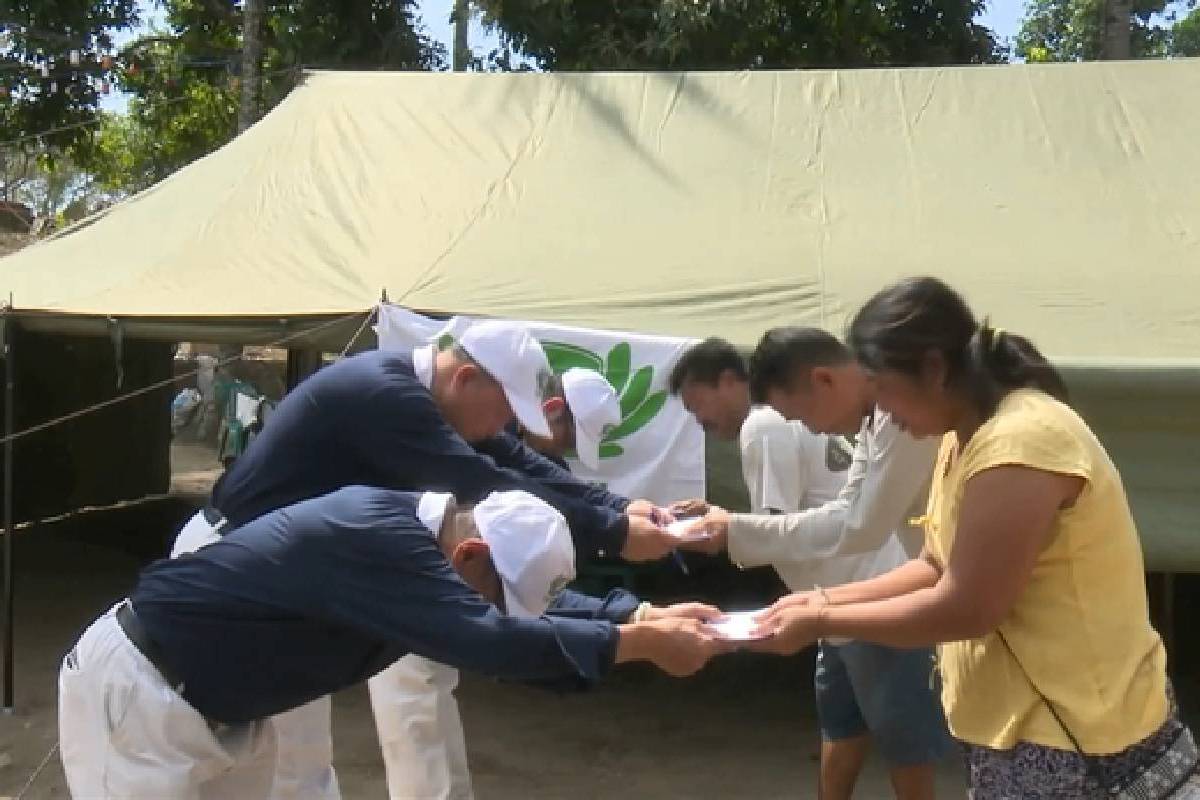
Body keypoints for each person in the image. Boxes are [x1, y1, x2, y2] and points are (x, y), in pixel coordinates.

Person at [168, 321, 679, 799]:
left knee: (298, 757)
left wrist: (618, 509)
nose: (504, 427)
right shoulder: (385, 395)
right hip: (231, 563)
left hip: (289, 577)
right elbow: (485, 481)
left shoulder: (423, 397)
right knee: (278, 763)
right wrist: (613, 535)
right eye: (504, 410)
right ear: (467, 377)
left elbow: (515, 462)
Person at [751, 277, 1200, 798]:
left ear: (934, 370)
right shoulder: (960, 440)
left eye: (884, 386)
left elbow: (968, 606)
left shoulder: (1021, 442)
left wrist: (824, 619)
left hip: (1070, 732)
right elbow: (937, 565)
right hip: (1015, 727)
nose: (883, 409)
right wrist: (820, 599)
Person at [59, 487, 731, 800]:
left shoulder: (427, 553)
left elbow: (505, 622)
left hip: (221, 712)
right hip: (140, 702)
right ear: (470, 552)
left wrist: (642, 617)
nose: (490, 612)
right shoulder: (377, 538)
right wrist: (637, 647)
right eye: (493, 595)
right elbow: (489, 640)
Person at [368, 370, 695, 800]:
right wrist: (618, 537)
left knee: (430, 695)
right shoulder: (456, 431)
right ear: (553, 410)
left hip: (418, 562)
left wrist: (623, 520)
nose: (564, 451)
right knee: (409, 702)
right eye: (569, 437)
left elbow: (546, 503)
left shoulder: (500, 440)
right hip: (371, 581)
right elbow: (516, 599)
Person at [681, 328, 950, 800]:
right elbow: (850, 514)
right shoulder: (873, 421)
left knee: (906, 747)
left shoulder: (894, 416)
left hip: (877, 599)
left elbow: (857, 523)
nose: (812, 429)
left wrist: (733, 532)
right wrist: (814, 606)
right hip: (847, 600)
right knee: (845, 731)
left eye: (801, 414)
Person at [666, 336, 851, 519]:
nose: (699, 419)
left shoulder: (762, 426)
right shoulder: (775, 416)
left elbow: (775, 532)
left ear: (728, 381)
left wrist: (720, 531)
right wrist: (719, 517)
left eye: (698, 405)